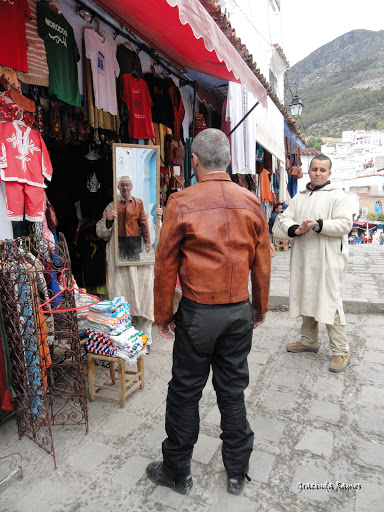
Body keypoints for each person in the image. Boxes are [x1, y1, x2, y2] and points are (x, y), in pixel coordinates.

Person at [145, 128, 271, 496]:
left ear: (194, 161)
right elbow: (261, 265)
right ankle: (236, 472)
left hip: (198, 314)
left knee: (185, 391)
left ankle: (176, 471)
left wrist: (162, 316)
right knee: (232, 391)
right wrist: (258, 309)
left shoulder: (181, 202)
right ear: (228, 160)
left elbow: (164, 265)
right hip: (237, 312)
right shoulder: (251, 202)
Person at [273, 154, 352, 373]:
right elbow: (283, 219)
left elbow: (345, 224)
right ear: (309, 170)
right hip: (304, 256)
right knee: (306, 294)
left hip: (328, 259)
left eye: (322, 170)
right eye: (314, 169)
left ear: (329, 173)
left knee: (330, 301)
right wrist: (297, 229)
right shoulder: (300, 196)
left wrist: (318, 224)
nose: (317, 173)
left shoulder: (337, 196)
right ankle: (309, 341)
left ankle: (340, 351)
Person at [96, 176, 162, 341]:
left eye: (127, 184)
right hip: (118, 254)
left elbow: (147, 225)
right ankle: (123, 339)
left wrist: (149, 238)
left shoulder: (139, 203)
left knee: (143, 292)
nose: (125, 187)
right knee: (121, 294)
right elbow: (101, 233)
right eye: (122, 184)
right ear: (118, 187)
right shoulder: (111, 206)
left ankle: (144, 339)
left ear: (132, 187)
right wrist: (109, 221)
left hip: (137, 252)